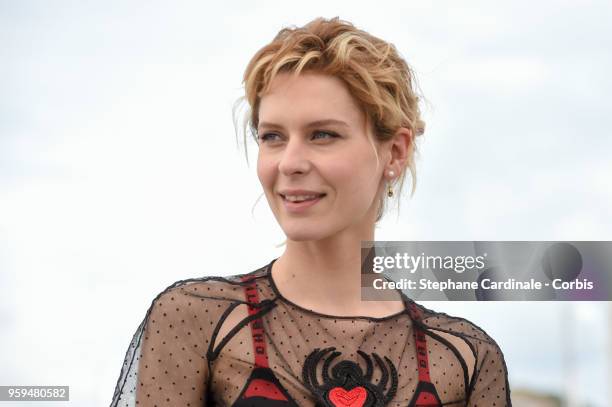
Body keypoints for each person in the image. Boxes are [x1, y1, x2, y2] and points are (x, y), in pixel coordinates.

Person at [110, 17, 511, 407]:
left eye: (323, 135)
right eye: (273, 137)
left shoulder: (467, 359)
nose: (290, 162)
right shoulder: (194, 320)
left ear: (395, 151)